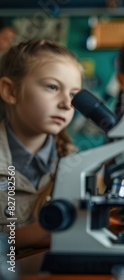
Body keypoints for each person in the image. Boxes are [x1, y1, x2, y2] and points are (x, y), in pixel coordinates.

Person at [0, 39, 82, 251]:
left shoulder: (75, 163)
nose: (66, 103)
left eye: (73, 94)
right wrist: (44, 231)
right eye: (52, 87)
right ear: (10, 91)